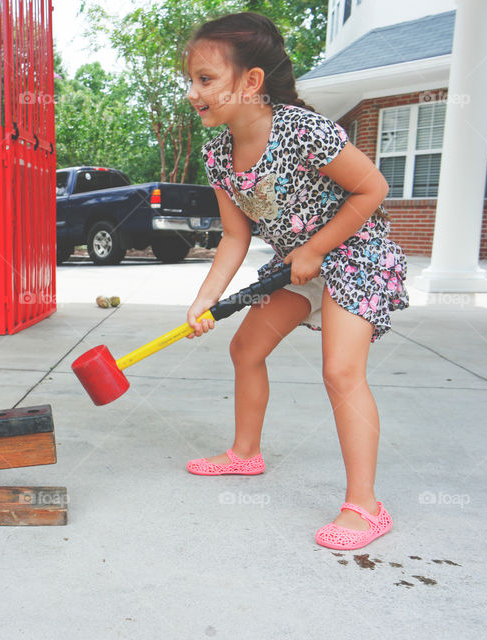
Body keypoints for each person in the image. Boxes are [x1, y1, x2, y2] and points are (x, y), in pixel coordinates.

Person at [182, 12, 409, 550]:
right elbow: (235, 239)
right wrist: (204, 298)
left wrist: (315, 248)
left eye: (206, 79)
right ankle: (244, 453)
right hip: (295, 264)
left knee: (341, 372)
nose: (194, 93)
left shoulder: (302, 130)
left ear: (252, 81)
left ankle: (366, 506)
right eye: (191, 81)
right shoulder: (219, 156)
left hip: (355, 254)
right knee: (246, 348)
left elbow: (371, 190)